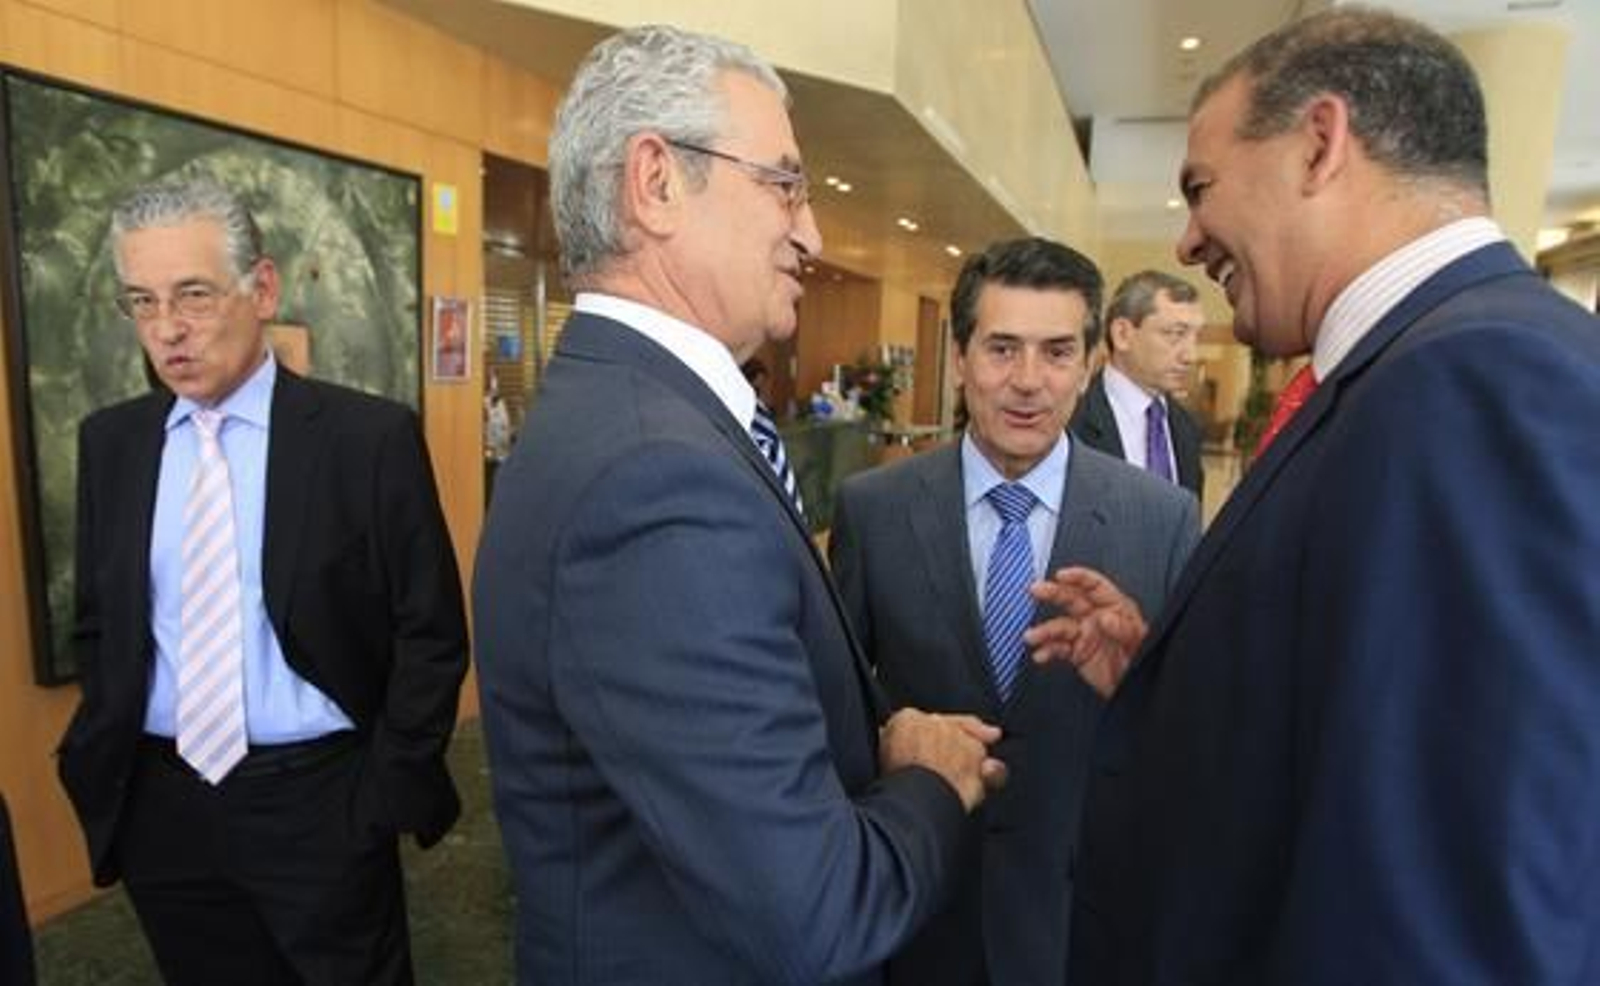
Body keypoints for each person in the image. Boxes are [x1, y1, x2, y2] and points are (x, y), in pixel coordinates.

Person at [1027, 8, 1600, 984]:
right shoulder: (1402, 372)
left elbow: (1455, 895)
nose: (1188, 239)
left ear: (1319, 144)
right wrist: (1180, 681)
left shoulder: (1477, 378)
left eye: (1200, 189)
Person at [471, 25, 1005, 986]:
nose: (812, 234)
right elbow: (816, 912)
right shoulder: (653, 477)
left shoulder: (639, 420)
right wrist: (932, 776)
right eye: (785, 184)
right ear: (656, 183)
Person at [59, 178, 469, 986]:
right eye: (142, 302)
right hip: (164, 811)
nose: (167, 329)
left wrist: (378, 796)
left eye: (194, 295)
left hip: (321, 804)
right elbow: (100, 623)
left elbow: (430, 633)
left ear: (265, 289)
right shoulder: (113, 444)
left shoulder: (366, 440)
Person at [829, 237, 1199, 986]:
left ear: (1090, 364)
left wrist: (1142, 677)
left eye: (1057, 352)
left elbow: (1196, 738)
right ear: (960, 357)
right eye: (1002, 349)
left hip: (1082, 929)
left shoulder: (1162, 520)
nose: (1028, 382)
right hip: (920, 918)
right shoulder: (874, 509)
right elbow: (837, 710)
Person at [1069, 270, 1206, 497]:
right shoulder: (1069, 418)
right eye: (1176, 334)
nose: (1191, 356)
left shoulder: (1187, 427)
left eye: (1196, 337)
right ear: (1122, 334)